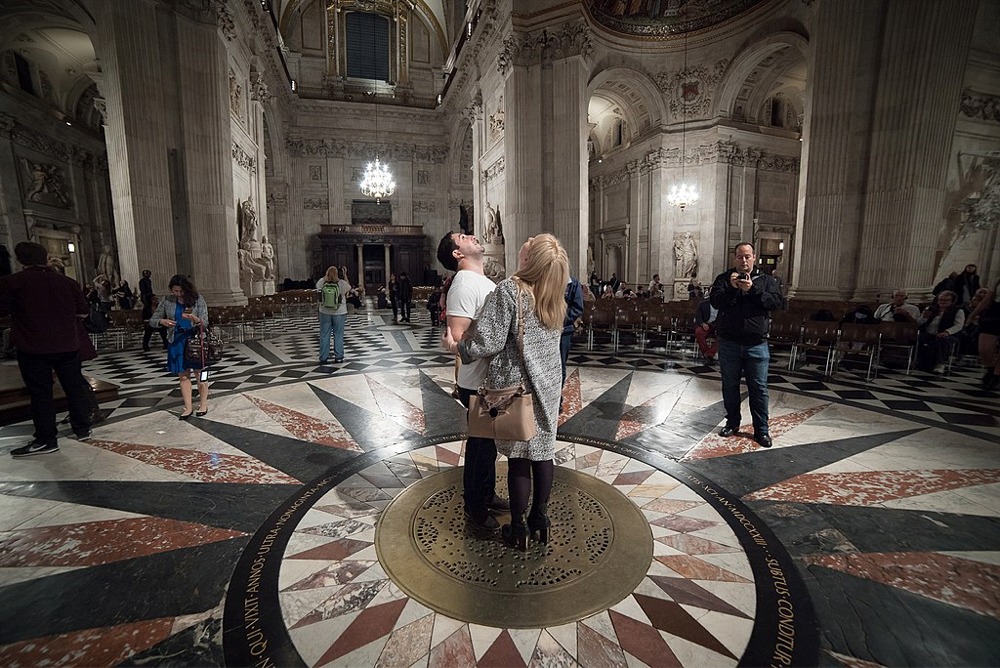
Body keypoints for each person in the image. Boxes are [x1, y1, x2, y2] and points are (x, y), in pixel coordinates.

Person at [443, 234, 568, 551]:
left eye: (531, 240)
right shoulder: (554, 292)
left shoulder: (512, 290)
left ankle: (519, 527)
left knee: (518, 459)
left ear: (529, 258)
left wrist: (459, 347)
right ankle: (540, 519)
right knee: (543, 453)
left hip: (515, 387)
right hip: (550, 383)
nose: (525, 239)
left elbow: (488, 342)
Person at [436, 230, 507, 530]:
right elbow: (459, 339)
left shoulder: (481, 281)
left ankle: (487, 494)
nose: (473, 236)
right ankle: (475, 509)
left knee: (487, 447)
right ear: (457, 253)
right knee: (479, 449)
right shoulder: (463, 284)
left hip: (490, 380)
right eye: (464, 237)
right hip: (477, 383)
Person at [0, 242, 94, 456]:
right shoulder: (67, 282)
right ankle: (83, 429)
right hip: (67, 345)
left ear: (19, 260)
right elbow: (82, 313)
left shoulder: (13, 282)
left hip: (34, 346)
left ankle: (46, 439)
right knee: (74, 388)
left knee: (41, 393)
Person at [710, 242, 783, 448]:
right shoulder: (724, 279)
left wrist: (753, 290)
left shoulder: (767, 281)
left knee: (759, 388)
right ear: (734, 258)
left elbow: (777, 303)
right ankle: (732, 423)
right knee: (730, 386)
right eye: (740, 257)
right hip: (729, 343)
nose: (744, 261)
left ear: (754, 257)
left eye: (747, 256)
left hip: (756, 344)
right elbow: (716, 302)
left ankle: (762, 430)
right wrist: (733, 289)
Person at [150, 275, 210, 419]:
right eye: (175, 291)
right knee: (183, 375)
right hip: (177, 341)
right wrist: (162, 321)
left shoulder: (197, 299)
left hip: (194, 340)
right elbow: (153, 320)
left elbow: (205, 322)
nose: (177, 294)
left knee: (201, 373)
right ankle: (188, 407)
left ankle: (203, 403)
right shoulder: (167, 300)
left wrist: (195, 319)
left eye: (180, 291)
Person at [916, 290, 964, 374]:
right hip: (930, 333)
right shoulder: (930, 309)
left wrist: (947, 332)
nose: (943, 302)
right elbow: (919, 323)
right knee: (919, 337)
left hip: (948, 335)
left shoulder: (958, 311)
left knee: (942, 339)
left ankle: (940, 363)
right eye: (941, 300)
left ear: (952, 301)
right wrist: (924, 318)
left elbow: (958, 326)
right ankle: (918, 360)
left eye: (947, 300)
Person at [968, 278, 1000, 390]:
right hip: (995, 313)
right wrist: (973, 314)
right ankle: (991, 368)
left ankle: (996, 375)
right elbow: (987, 300)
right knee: (984, 349)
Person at [316, 266, 351, 364]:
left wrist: (327, 276)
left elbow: (317, 288)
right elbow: (349, 287)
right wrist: (345, 275)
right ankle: (339, 356)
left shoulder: (321, 282)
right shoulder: (342, 283)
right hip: (339, 312)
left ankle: (323, 357)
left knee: (324, 335)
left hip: (324, 311)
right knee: (338, 335)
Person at [561, 275, 584, 385]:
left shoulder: (573, 283)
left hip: (564, 330)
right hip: (546, 329)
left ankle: (558, 397)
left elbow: (578, 307)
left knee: (561, 364)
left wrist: (563, 320)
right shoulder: (545, 279)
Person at [694, 291, 718, 362]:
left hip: (718, 325)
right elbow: (698, 317)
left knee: (723, 335)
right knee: (699, 332)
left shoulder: (724, 304)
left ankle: (710, 353)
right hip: (706, 324)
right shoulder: (703, 304)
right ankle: (707, 354)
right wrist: (702, 324)